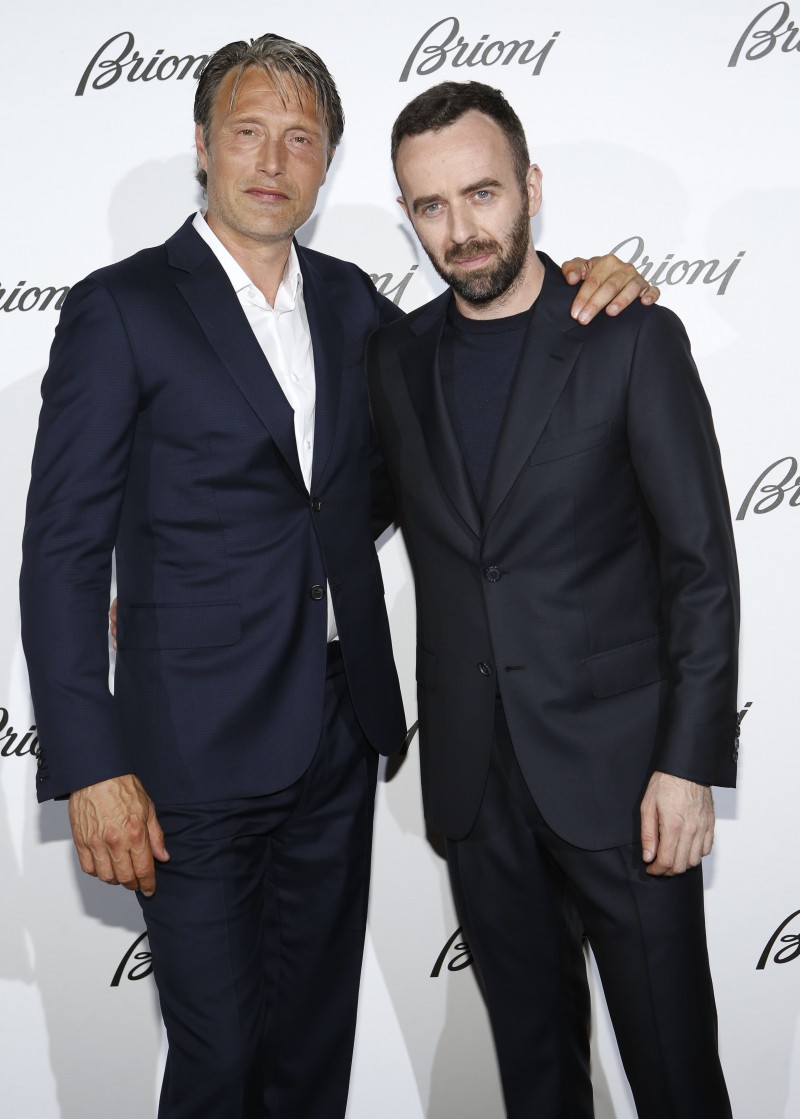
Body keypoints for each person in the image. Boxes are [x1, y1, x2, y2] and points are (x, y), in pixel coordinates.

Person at [20, 34, 656, 1119]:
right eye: (248, 132)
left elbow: (462, 387)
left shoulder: (356, 304)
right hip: (189, 748)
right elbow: (61, 553)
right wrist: (90, 765)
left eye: (301, 139)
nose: (273, 159)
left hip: (338, 727)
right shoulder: (120, 308)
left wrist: (592, 277)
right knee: (220, 1058)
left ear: (326, 165)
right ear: (202, 149)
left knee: (313, 1048)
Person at [367, 80, 738, 1119]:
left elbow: (700, 568)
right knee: (534, 1081)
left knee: (673, 1073)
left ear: (529, 187)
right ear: (408, 215)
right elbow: (347, 514)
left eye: (480, 194)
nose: (460, 228)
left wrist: (685, 764)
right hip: (476, 790)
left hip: (627, 786)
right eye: (430, 207)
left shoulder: (625, 339)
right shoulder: (397, 361)